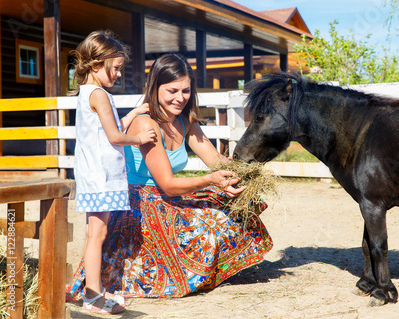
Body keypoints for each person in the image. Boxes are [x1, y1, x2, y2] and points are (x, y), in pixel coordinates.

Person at [68, 53, 273, 300]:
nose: (180, 98)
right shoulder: (146, 124)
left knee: (235, 204)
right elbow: (168, 184)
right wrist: (212, 180)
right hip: (140, 203)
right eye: (172, 90)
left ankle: (200, 271)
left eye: (186, 91)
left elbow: (215, 161)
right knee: (207, 223)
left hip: (168, 197)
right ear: (155, 88)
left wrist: (239, 171)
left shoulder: (185, 122)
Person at [71, 30, 156, 314]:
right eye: (115, 68)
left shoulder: (89, 93)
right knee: (98, 233)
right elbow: (115, 137)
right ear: (96, 65)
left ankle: (92, 291)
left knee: (96, 231)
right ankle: (93, 296)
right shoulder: (100, 95)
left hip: (93, 173)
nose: (119, 74)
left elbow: (112, 128)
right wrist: (140, 139)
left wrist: (134, 112)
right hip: (101, 175)